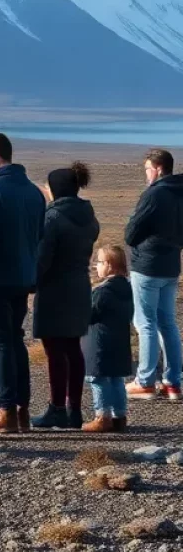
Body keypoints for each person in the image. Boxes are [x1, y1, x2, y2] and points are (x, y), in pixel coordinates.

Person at [0, 132, 46, 434]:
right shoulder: (33, 192)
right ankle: (22, 411)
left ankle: (5, 411)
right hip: (24, 278)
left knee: (0, 343)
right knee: (16, 340)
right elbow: (39, 237)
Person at [31, 162, 99, 429]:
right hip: (79, 286)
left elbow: (43, 259)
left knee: (55, 350)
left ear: (55, 189)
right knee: (73, 347)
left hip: (54, 289)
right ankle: (75, 410)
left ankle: (57, 408)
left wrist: (29, 283)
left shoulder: (52, 218)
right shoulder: (88, 216)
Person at [124, 148, 183, 401]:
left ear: (157, 169)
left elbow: (131, 233)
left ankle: (145, 381)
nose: (146, 174)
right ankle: (173, 382)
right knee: (167, 322)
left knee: (145, 322)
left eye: (148, 169)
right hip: (171, 264)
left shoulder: (155, 193)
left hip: (147, 265)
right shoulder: (180, 192)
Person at [83, 244, 134, 432]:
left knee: (98, 379)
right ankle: (119, 416)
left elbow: (89, 316)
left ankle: (102, 416)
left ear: (110, 265)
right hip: (119, 342)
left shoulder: (102, 292)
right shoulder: (127, 289)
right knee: (116, 379)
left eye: (99, 262)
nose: (96, 266)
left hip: (100, 344)